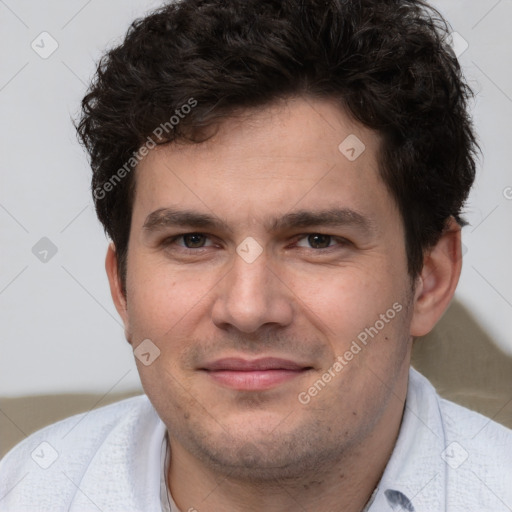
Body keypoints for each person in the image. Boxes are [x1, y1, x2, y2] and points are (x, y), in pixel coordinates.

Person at [1, 0, 511, 510]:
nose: (247, 309)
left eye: (317, 240)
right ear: (122, 286)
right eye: (192, 241)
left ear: (430, 279)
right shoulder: (26, 490)